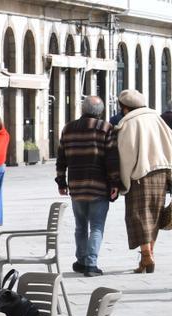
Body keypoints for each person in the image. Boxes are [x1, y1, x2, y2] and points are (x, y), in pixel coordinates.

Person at [55, 95, 120, 277]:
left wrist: (61, 181)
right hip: (99, 186)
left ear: (83, 109)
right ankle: (91, 264)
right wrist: (115, 182)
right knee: (97, 226)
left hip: (76, 186)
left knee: (80, 226)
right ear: (101, 112)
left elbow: (61, 158)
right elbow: (111, 159)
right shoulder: (106, 128)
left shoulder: (68, 129)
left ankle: (82, 261)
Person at [112, 88, 172, 273]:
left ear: (124, 107)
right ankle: (146, 258)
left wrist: (123, 181)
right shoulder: (157, 118)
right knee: (154, 215)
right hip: (161, 173)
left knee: (138, 216)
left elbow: (127, 154)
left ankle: (146, 255)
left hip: (140, 175)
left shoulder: (128, 123)